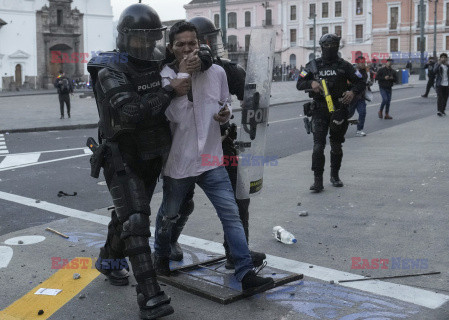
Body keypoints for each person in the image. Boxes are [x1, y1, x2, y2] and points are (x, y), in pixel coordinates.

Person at [86, 4, 199, 319]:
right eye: (139, 38)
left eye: (150, 37)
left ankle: (108, 261)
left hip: (153, 152)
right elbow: (130, 113)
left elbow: (195, 57)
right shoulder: (110, 68)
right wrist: (171, 89)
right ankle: (150, 295)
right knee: (135, 220)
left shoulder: (157, 60)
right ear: (125, 36)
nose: (145, 44)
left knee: (127, 216)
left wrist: (200, 59)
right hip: (121, 152)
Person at [153, 21, 274, 294]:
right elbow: (176, 115)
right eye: (181, 44)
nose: (187, 50)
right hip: (179, 161)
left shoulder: (218, 72)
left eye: (192, 44)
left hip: (211, 158)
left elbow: (225, 102)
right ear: (172, 47)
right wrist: (183, 75)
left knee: (230, 214)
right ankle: (159, 255)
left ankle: (245, 273)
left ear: (201, 44)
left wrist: (225, 114)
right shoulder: (166, 76)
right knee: (169, 214)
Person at [297, 33, 365, 192]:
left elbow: (361, 81)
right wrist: (311, 82)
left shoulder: (345, 66)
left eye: (332, 46)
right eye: (326, 46)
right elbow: (299, 83)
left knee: (336, 145)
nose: (329, 49)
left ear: (337, 47)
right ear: (321, 47)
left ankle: (335, 176)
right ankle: (318, 180)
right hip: (319, 110)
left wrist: (353, 92)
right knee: (318, 147)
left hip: (339, 110)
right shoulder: (312, 65)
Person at [350, 56, 372, 137]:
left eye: (364, 62)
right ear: (357, 63)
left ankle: (359, 130)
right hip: (351, 97)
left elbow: (363, 81)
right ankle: (339, 126)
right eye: (361, 62)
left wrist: (368, 84)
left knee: (362, 113)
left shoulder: (364, 72)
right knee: (348, 114)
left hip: (360, 97)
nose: (363, 64)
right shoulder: (352, 71)